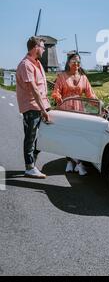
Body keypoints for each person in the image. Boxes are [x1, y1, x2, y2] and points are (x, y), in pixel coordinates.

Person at [52, 52, 97, 175]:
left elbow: (90, 95)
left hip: (79, 110)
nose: (76, 64)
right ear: (68, 62)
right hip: (65, 109)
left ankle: (73, 162)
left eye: (78, 62)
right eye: (74, 62)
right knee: (67, 137)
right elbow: (56, 91)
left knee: (78, 137)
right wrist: (58, 97)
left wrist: (99, 105)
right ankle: (76, 163)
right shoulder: (62, 76)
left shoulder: (83, 78)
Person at [16, 36, 51, 179]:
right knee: (30, 137)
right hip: (32, 106)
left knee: (40, 136)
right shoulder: (26, 65)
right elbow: (34, 89)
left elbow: (41, 84)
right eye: (43, 47)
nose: (44, 49)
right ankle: (29, 167)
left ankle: (32, 164)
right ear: (36, 47)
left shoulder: (37, 63)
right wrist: (43, 110)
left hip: (40, 105)